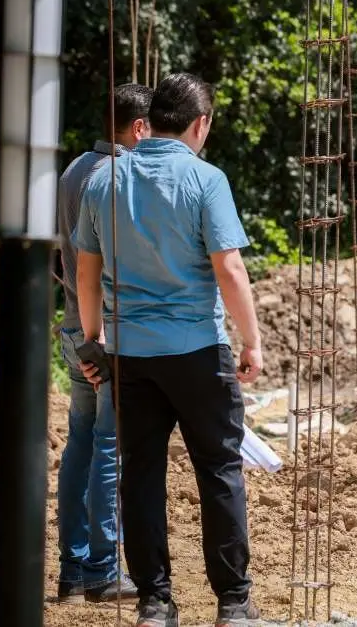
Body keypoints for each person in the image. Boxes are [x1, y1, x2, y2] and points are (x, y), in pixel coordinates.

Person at [73, 72, 263, 626]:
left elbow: (86, 272)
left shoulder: (102, 182)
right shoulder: (206, 180)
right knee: (220, 471)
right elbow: (229, 269)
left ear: (149, 119)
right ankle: (232, 602)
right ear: (200, 123)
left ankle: (155, 601)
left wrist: (93, 344)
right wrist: (251, 342)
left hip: (131, 353)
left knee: (141, 474)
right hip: (198, 350)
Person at [54, 83, 151, 604]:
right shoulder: (120, 176)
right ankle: (103, 569)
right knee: (109, 448)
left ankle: (72, 569)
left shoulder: (73, 169)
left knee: (81, 444)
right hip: (107, 331)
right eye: (151, 130)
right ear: (139, 127)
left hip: (74, 326)